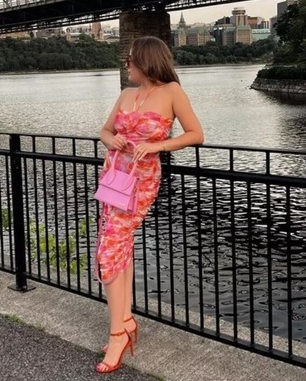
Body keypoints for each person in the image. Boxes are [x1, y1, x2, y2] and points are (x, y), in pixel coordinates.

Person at [95, 35, 204, 373]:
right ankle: (125, 321)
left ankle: (118, 334)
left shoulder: (172, 92)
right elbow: (104, 131)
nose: (126, 64)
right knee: (119, 246)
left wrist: (159, 146)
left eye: (130, 59)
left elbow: (196, 134)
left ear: (145, 61)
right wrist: (113, 139)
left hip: (142, 180)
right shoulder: (126, 94)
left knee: (109, 250)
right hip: (114, 177)